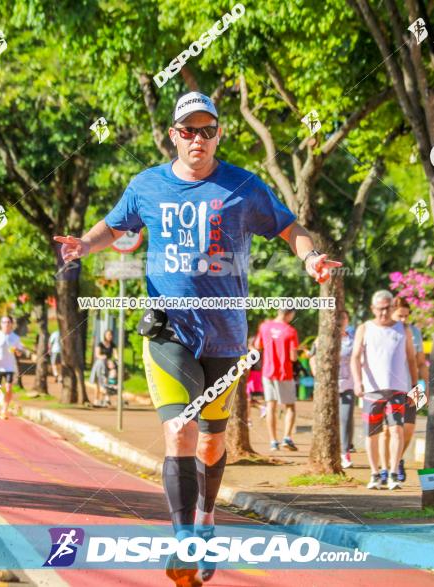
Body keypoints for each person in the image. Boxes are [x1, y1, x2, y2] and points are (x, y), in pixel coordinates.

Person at [53, 91, 339, 586]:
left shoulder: (243, 188)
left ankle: (206, 521)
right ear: (173, 135)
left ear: (218, 135)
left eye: (207, 130)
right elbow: (113, 226)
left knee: (211, 441)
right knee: (180, 431)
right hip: (168, 332)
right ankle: (183, 540)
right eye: (188, 130)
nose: (198, 139)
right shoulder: (147, 186)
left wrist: (311, 259)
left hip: (226, 338)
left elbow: (292, 230)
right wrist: (83, 244)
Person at [351, 290, 417, 490]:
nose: (383, 313)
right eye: (380, 309)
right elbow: (355, 357)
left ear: (392, 308)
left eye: (387, 308)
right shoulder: (365, 328)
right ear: (373, 309)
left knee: (397, 429)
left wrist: (415, 387)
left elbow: (412, 359)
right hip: (372, 390)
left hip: (398, 389)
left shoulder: (402, 329)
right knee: (373, 433)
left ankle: (394, 472)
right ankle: (375, 473)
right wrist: (357, 381)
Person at [381, 297, 429, 481]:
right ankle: (385, 468)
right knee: (388, 430)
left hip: (413, 386)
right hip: (389, 386)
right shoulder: (383, 330)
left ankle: (398, 459)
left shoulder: (414, 331)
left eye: (406, 316)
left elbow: (421, 362)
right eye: (400, 316)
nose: (403, 320)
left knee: (408, 428)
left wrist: (426, 385)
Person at [309, 310, 356, 468]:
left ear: (348, 321)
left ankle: (345, 452)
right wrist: (318, 375)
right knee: (326, 419)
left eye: (344, 318)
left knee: (346, 419)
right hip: (327, 387)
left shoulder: (352, 340)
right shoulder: (321, 338)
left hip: (347, 385)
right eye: (339, 318)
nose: (342, 321)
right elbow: (312, 358)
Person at [256, 310, 300, 452]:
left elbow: (258, 345)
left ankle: (273, 442)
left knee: (270, 406)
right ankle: (286, 437)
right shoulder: (291, 331)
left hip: (268, 372)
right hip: (284, 373)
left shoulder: (264, 326)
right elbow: (293, 357)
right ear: (290, 314)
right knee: (290, 407)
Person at [0, 315, 25, 420]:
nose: (6, 324)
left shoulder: (15, 338)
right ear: (0, 324)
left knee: (8, 388)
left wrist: (17, 350)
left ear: (11, 324)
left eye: (8, 322)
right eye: (4, 322)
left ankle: (4, 410)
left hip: (9, 367)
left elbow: (20, 353)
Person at [89, 329, 117, 402]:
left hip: (107, 365)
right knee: (98, 383)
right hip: (100, 365)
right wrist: (104, 357)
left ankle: (106, 398)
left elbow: (116, 354)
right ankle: (96, 399)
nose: (109, 336)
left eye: (111, 335)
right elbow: (97, 355)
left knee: (107, 382)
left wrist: (117, 360)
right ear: (105, 335)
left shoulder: (113, 345)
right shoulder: (100, 344)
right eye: (108, 335)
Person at [245, 333, 264, 427]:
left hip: (252, 376)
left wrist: (246, 379)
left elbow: (248, 367)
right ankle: (262, 407)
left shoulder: (252, 354)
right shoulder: (260, 352)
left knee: (248, 399)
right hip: (258, 375)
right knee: (249, 398)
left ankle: (248, 419)